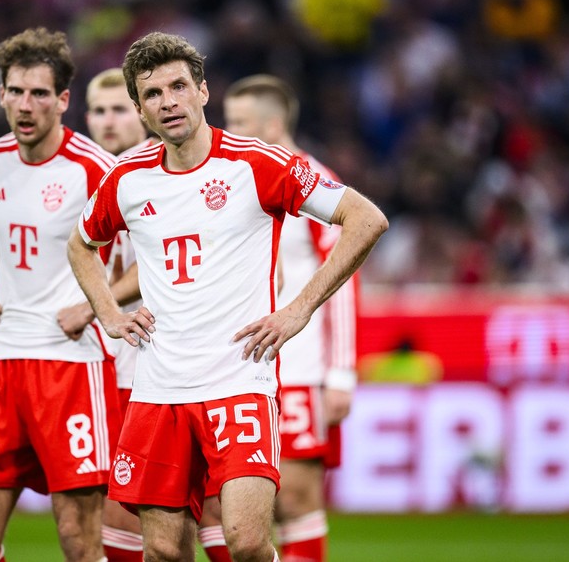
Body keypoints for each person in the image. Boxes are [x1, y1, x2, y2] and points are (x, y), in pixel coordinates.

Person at [67, 32, 388, 562]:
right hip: (157, 388)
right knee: (164, 551)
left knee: (246, 539)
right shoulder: (126, 179)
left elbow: (366, 218)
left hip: (238, 380)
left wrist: (297, 310)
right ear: (141, 108)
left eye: (178, 86)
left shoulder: (258, 163)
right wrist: (108, 313)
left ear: (203, 92)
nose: (168, 101)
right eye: (152, 94)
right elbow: (81, 245)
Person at [0, 27, 122, 562]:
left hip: (71, 366)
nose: (26, 105)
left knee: (77, 538)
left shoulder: (94, 168)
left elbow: (155, 256)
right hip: (5, 364)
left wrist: (97, 304)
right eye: (16, 91)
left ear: (64, 100)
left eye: (40, 93)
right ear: (1, 93)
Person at [199, 73, 360, 562]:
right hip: (236, 366)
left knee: (294, 498)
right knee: (216, 504)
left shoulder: (311, 178)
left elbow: (344, 279)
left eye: (240, 123)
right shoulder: (234, 176)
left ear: (271, 124)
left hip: (300, 368)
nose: (228, 131)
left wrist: (340, 374)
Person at [57, 67, 153, 561]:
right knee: (95, 506)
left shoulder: (156, 171)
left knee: (138, 506)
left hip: (143, 351)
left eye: (119, 109)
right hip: (97, 354)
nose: (108, 121)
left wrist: (97, 305)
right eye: (98, 110)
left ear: (141, 112)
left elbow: (154, 266)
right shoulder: (88, 174)